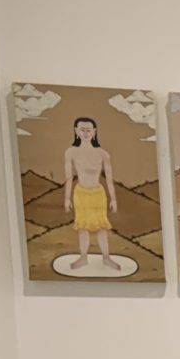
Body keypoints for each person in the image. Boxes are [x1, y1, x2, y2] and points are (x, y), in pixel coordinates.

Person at [62, 116, 120, 271]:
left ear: (94, 132)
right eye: (82, 130)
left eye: (89, 130)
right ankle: (83, 258)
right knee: (82, 227)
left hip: (98, 194)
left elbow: (109, 179)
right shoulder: (71, 152)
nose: (86, 133)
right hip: (80, 194)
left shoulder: (103, 154)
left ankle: (106, 258)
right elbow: (68, 178)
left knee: (102, 227)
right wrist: (67, 198)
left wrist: (113, 199)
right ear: (76, 131)